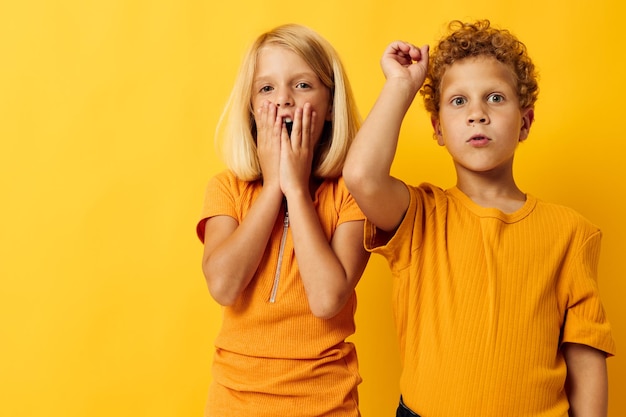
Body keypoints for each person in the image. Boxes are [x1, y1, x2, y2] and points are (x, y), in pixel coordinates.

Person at [343, 20, 615, 417]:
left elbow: (586, 359)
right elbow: (361, 176)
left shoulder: (572, 232)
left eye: (495, 98)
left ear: (525, 122)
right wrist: (401, 85)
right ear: (438, 129)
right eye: (458, 102)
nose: (477, 114)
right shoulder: (420, 215)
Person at [196, 24, 369, 417]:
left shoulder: (352, 194)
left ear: (330, 108)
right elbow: (223, 285)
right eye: (267, 89)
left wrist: (297, 190)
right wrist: (274, 185)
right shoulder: (227, 189)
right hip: (233, 401)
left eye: (303, 85)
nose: (283, 101)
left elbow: (327, 299)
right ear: (251, 107)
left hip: (325, 403)